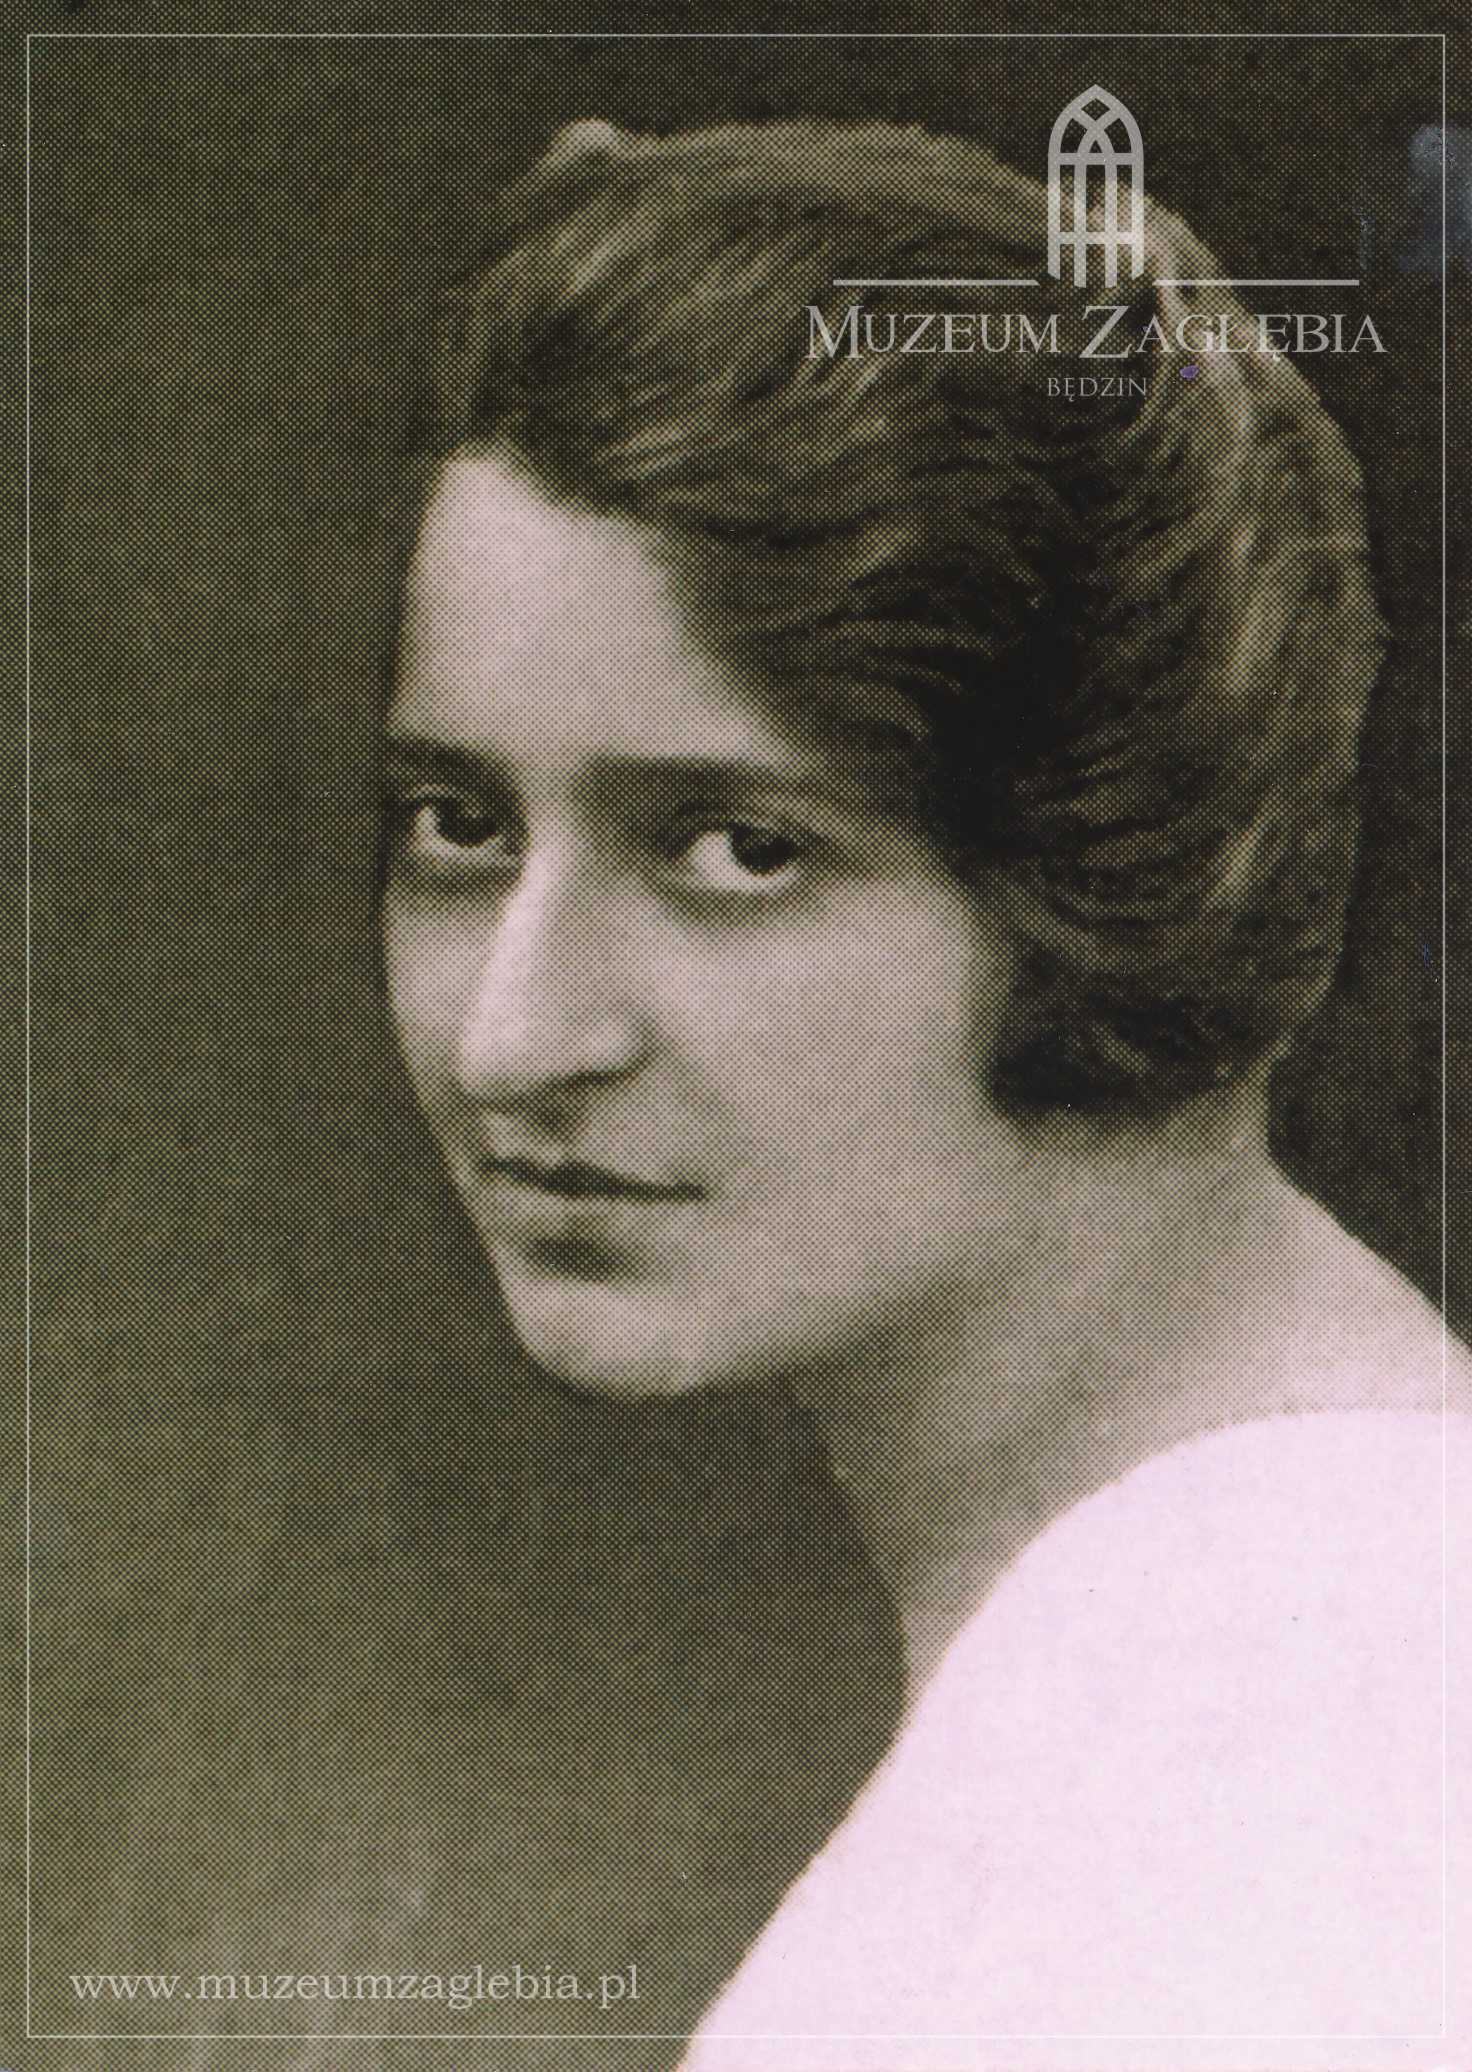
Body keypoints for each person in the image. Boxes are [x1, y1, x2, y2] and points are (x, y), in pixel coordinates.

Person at [377, 117, 1471, 2070]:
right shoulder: (1290, 1588)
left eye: (733, 850)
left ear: (1103, 869)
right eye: (459, 827)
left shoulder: (1251, 1718)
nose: (511, 1038)